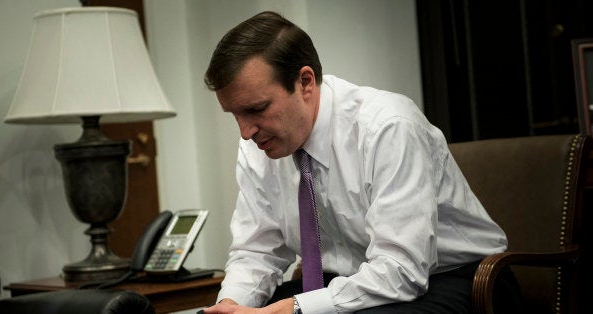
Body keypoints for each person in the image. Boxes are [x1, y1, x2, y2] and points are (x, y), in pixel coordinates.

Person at [201, 11, 520, 314]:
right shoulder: (259, 147)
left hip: (459, 280)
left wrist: (297, 307)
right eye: (236, 115)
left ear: (306, 83)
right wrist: (231, 305)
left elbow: (402, 270)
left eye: (256, 109)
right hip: (349, 283)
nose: (245, 132)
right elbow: (256, 252)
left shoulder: (388, 127)